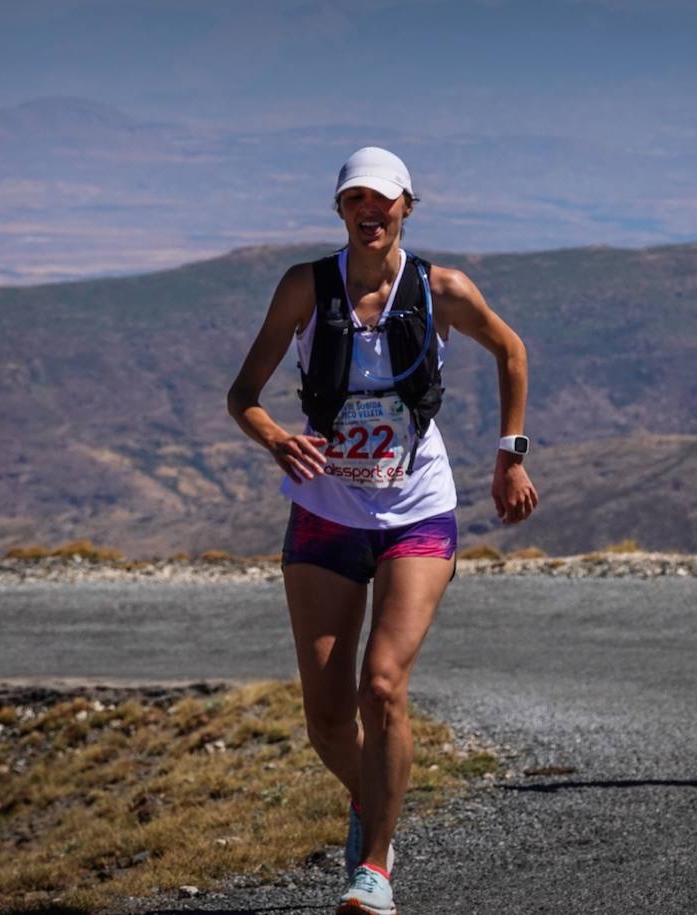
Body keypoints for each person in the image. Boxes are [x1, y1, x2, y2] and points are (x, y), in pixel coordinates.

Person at [226, 146, 538, 914]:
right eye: (355, 199)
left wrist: (510, 456)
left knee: (383, 685)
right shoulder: (305, 287)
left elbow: (511, 350)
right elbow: (243, 393)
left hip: (417, 512)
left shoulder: (441, 289)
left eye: (384, 200)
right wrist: (273, 437)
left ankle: (374, 867)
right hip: (327, 511)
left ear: (407, 206)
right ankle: (375, 798)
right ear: (340, 209)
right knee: (327, 717)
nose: (371, 211)